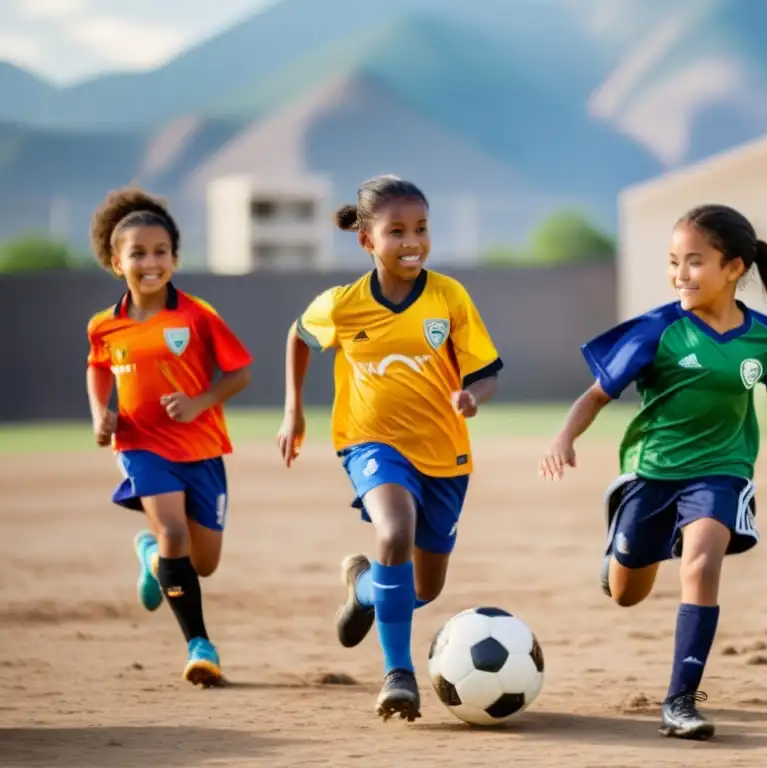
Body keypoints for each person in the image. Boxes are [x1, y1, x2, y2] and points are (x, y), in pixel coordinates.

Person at [539, 204, 767, 740]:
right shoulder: (659, 329)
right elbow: (596, 394)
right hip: (652, 472)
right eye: (674, 261)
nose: (681, 274)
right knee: (627, 591)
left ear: (734, 268)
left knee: (701, 562)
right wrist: (564, 437)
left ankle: (681, 701)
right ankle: (619, 551)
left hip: (722, 470)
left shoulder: (765, 338)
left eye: (695, 262)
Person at [276, 174, 503, 723]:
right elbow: (298, 338)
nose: (412, 241)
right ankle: (397, 675)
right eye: (396, 230)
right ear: (367, 241)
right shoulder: (342, 306)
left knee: (423, 588)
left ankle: (363, 590)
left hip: (445, 455)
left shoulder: (449, 296)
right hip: (370, 443)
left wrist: (471, 396)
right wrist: (294, 408)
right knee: (394, 532)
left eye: (421, 229)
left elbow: (487, 371)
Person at [85, 187, 252, 687]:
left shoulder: (197, 315)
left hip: (201, 451)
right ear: (117, 263)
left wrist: (200, 402)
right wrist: (101, 413)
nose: (150, 262)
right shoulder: (104, 326)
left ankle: (152, 555)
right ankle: (200, 646)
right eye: (137, 253)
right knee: (175, 533)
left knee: (203, 562)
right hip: (141, 445)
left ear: (174, 260)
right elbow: (96, 369)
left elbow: (239, 372)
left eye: (160, 252)